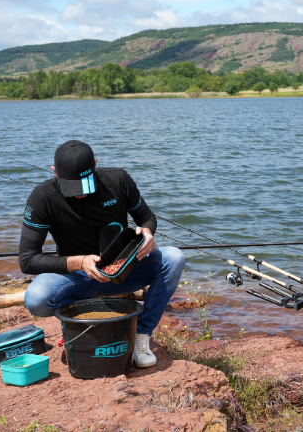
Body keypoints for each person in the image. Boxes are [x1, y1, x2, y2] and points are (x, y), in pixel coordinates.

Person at [19, 140, 185, 368]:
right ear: (54, 172)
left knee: (174, 257)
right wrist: (80, 262)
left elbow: (147, 218)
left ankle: (141, 335)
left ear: (95, 165)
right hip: (78, 278)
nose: (79, 194)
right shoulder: (41, 198)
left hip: (123, 272)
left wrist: (147, 233)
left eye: (84, 184)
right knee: (36, 298)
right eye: (71, 187)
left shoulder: (119, 180)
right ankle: (73, 325)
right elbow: (28, 261)